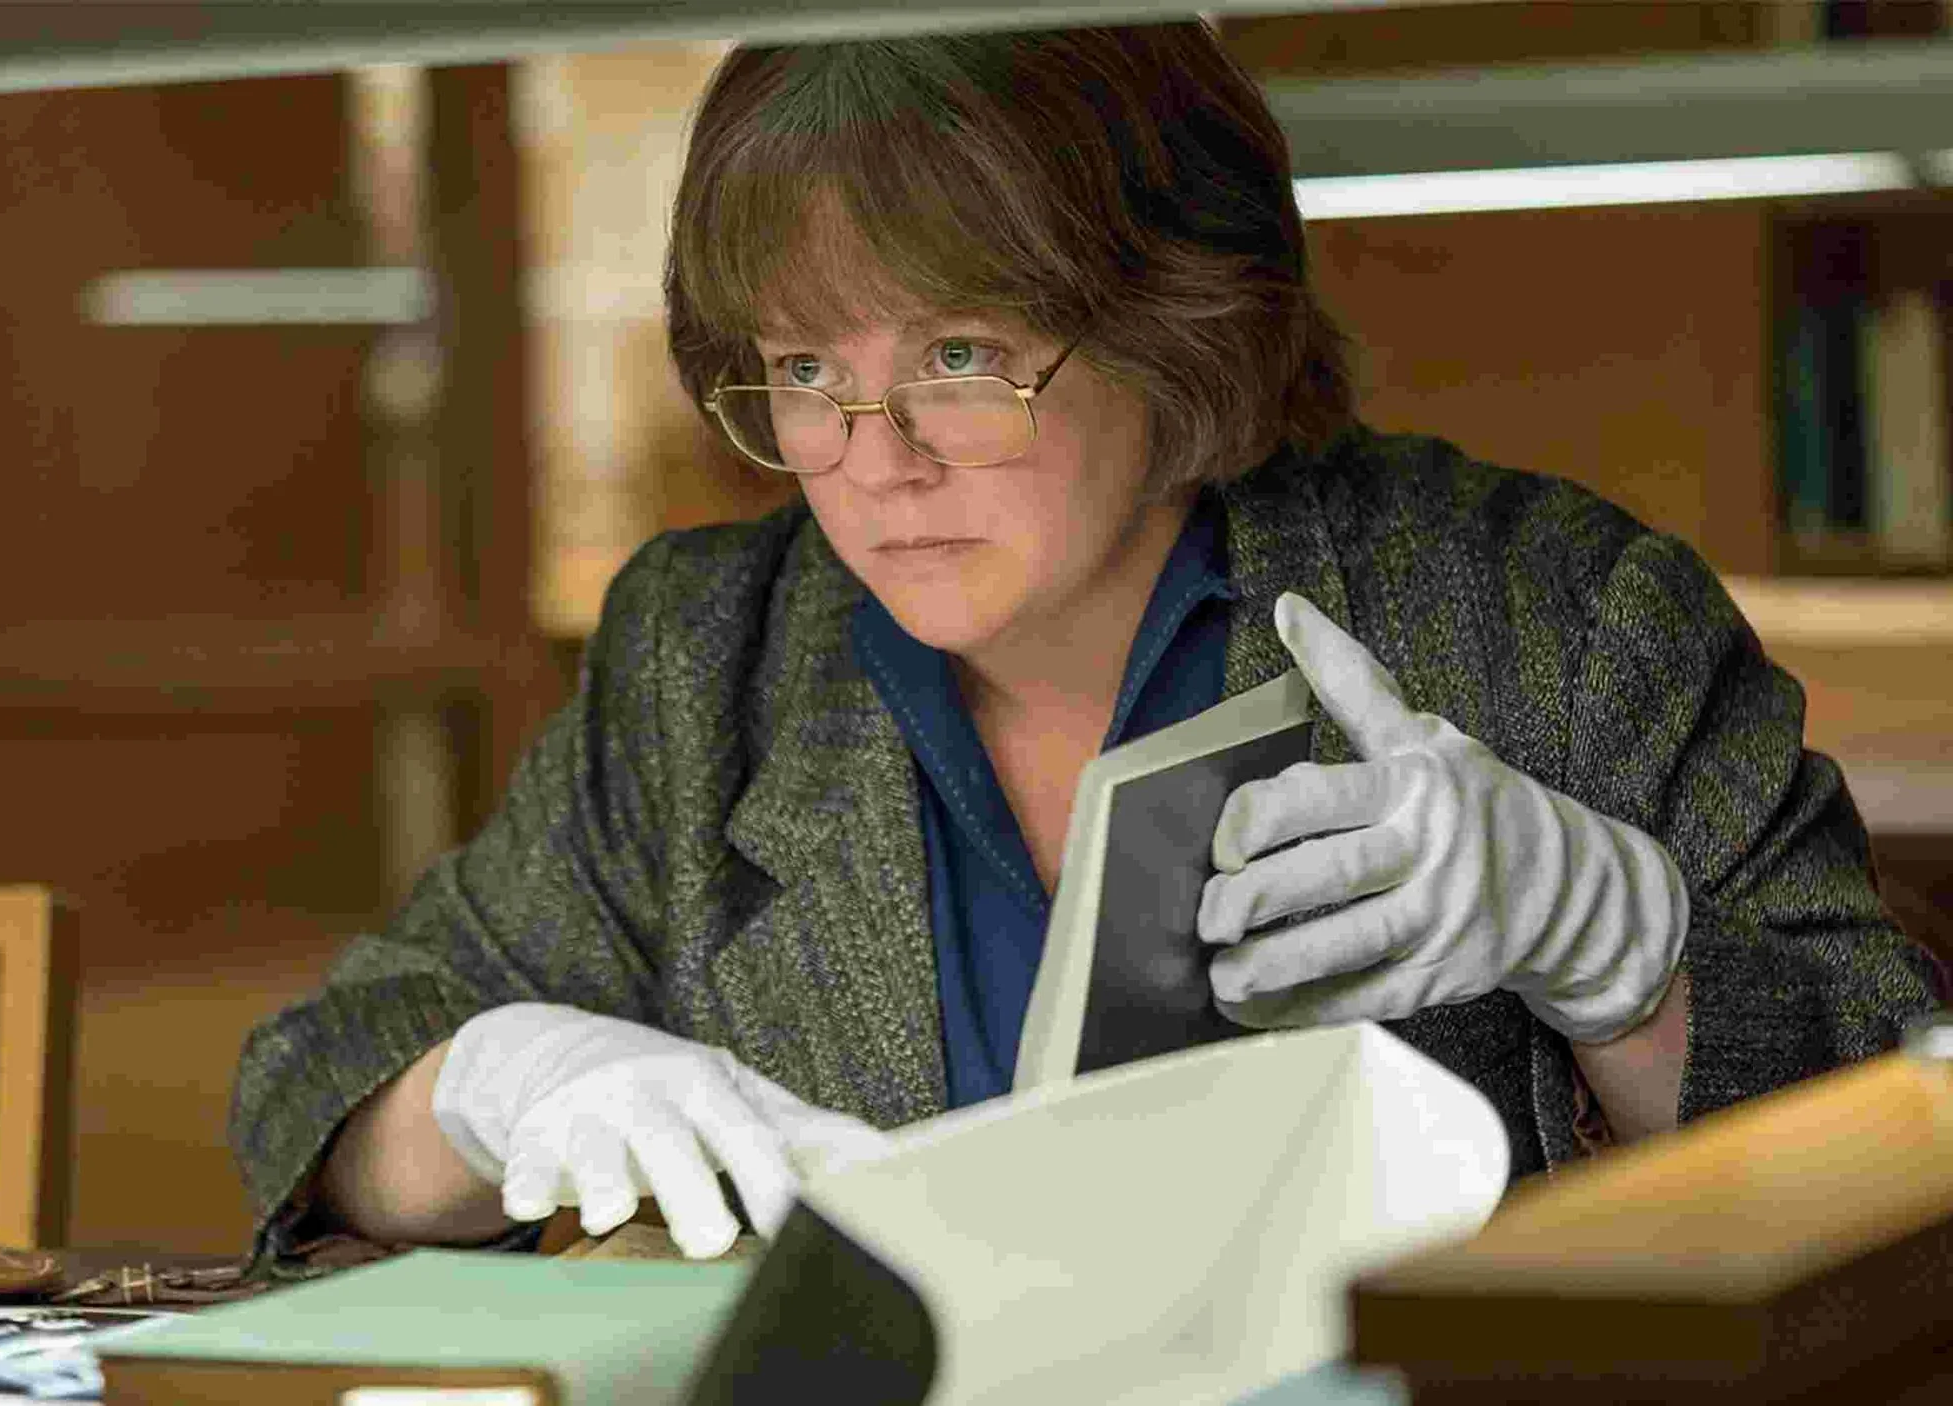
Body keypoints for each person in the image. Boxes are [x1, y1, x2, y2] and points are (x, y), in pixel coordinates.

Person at [230, 22, 1938, 1262]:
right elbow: (313, 1090)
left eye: (962, 355)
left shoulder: (1550, 612)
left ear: (1174, 327)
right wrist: (491, 1087)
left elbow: (1907, 1166)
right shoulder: (712, 656)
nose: (877, 460)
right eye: (808, 369)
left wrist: (1628, 967)